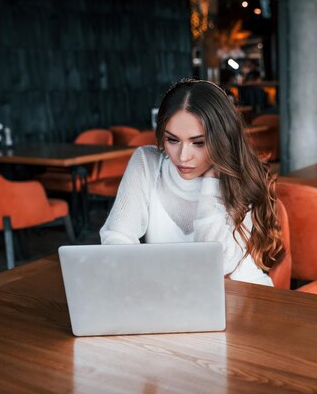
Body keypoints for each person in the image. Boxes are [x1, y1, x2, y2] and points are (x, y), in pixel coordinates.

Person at [100, 79, 285, 286]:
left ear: (221, 139)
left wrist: (211, 184)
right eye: (172, 140)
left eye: (198, 143)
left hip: (240, 292)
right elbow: (116, 238)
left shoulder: (239, 177)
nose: (183, 156)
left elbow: (217, 266)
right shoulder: (147, 162)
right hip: (170, 295)